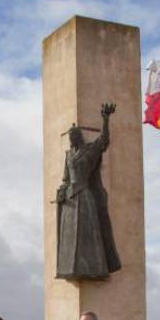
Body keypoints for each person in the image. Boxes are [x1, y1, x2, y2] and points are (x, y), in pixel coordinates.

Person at [55, 102, 121, 280]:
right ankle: (69, 268)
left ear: (79, 137)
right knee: (69, 237)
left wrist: (105, 120)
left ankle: (94, 268)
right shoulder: (68, 156)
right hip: (70, 198)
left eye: (74, 136)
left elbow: (103, 141)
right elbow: (66, 179)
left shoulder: (90, 150)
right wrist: (62, 191)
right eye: (70, 137)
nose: (71, 139)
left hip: (84, 195)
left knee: (89, 234)